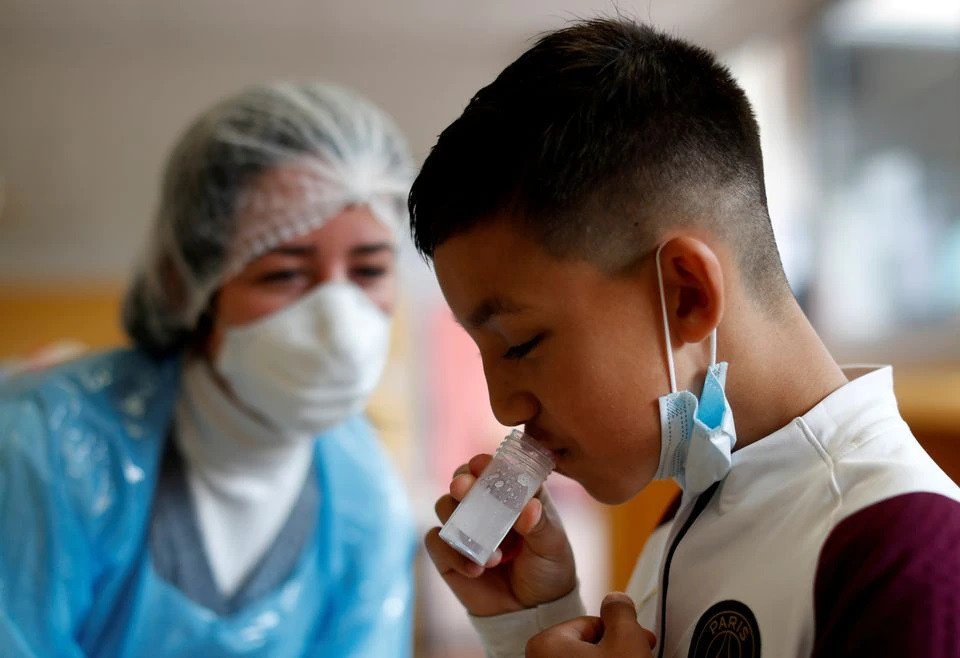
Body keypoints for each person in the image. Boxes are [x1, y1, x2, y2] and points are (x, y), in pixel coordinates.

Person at [409, 18, 960, 658]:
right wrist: (534, 624)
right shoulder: (696, 503)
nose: (505, 406)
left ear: (687, 294)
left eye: (522, 343)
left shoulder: (909, 555)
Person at [0, 82, 417, 656]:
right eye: (283, 274)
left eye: (369, 270)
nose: (339, 325)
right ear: (186, 283)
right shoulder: (53, 446)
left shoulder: (365, 497)